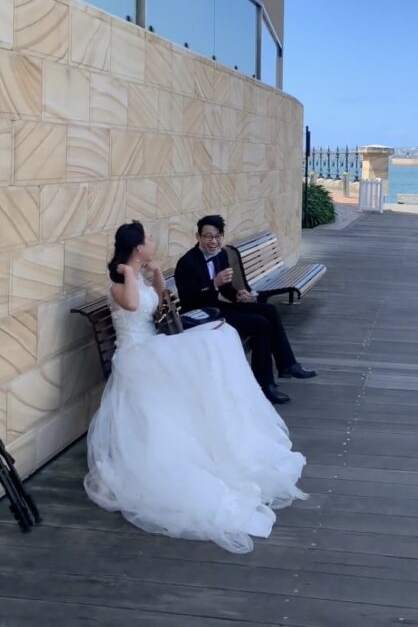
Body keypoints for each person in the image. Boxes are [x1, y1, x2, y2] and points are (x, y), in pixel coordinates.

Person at [84, 221, 307, 553]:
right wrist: (130, 273)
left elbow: (159, 302)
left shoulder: (140, 274)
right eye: (148, 239)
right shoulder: (121, 283)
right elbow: (131, 305)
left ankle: (221, 426)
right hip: (135, 354)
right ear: (137, 248)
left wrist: (157, 275)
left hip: (151, 345)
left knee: (220, 338)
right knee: (206, 348)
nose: (153, 241)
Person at [175, 215, 317, 405]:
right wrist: (213, 283)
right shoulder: (187, 262)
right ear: (198, 237)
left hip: (216, 307)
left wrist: (238, 295)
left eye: (217, 236)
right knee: (259, 324)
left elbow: (225, 288)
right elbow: (188, 298)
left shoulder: (221, 255)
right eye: (208, 236)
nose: (213, 241)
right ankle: (265, 385)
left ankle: (288, 365)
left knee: (269, 310)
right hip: (200, 314)